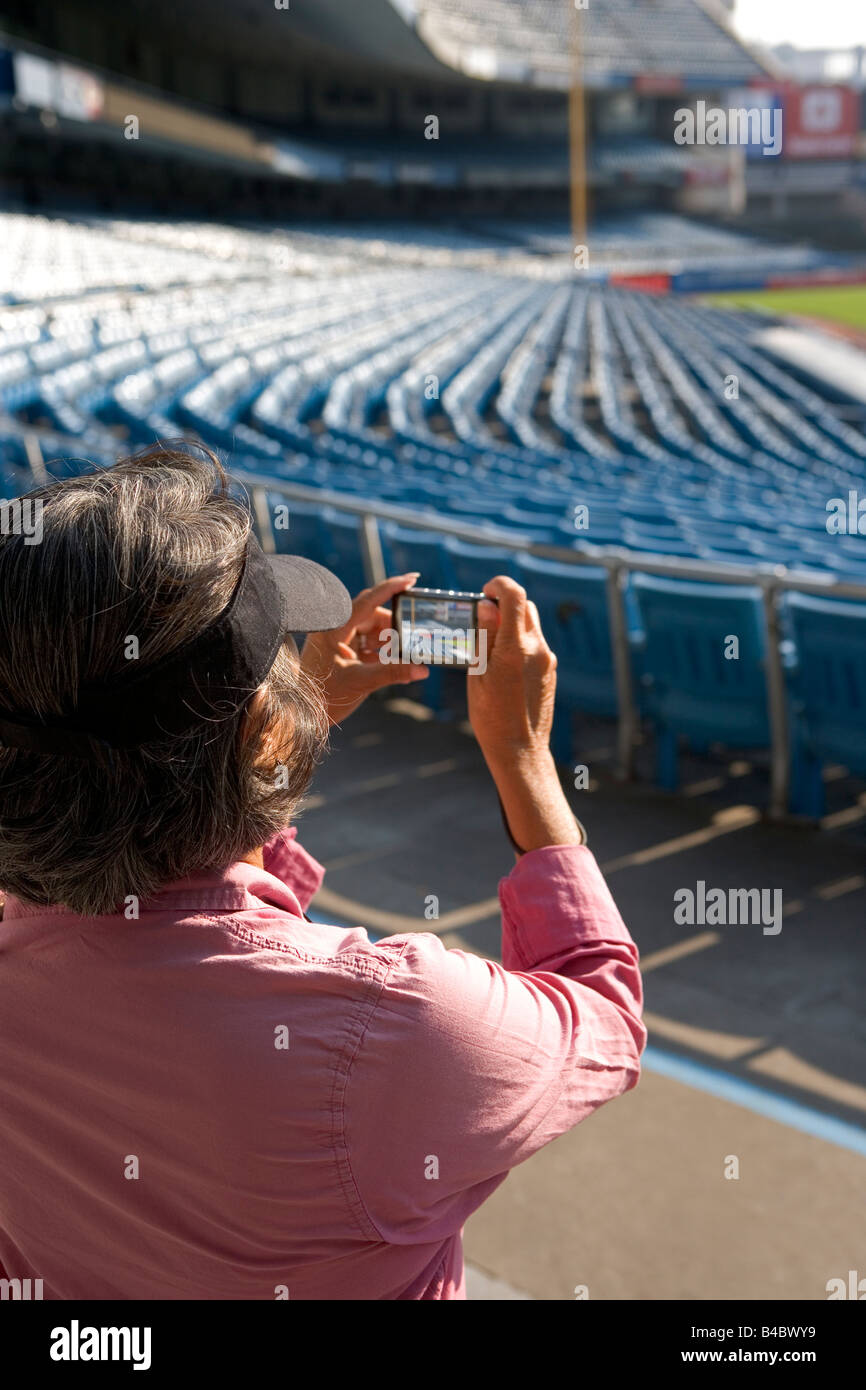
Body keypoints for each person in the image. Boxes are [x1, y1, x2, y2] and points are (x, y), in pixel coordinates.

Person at [0, 443, 645, 1300]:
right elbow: (600, 1012)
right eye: (279, 665)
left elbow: (173, 906)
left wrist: (285, 724)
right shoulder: (397, 1029)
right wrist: (524, 760)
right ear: (263, 733)